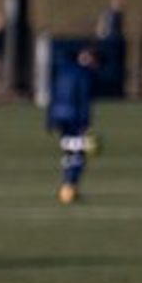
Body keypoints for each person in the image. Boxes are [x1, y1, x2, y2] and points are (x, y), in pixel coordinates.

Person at [49, 45, 99, 205]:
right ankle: (69, 187)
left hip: (60, 117)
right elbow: (83, 100)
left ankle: (68, 186)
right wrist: (86, 123)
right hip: (74, 119)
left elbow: (54, 95)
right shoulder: (84, 74)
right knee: (77, 154)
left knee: (68, 152)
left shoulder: (63, 70)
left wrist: (50, 120)